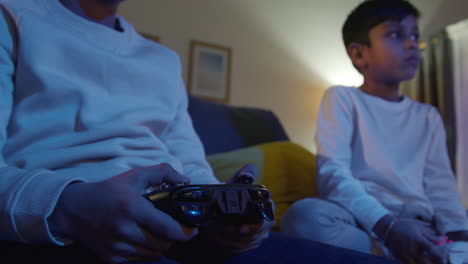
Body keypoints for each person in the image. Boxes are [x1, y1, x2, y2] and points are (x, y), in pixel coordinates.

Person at [0, 0, 398, 264]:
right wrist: (70, 206)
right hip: (63, 235)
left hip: (181, 236)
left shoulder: (161, 61)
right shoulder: (14, 16)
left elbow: (192, 166)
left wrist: (223, 214)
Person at [280, 0, 468, 263]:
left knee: (462, 229)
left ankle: (427, 252)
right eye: (395, 34)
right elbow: (333, 175)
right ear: (359, 55)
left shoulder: (427, 116)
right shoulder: (342, 99)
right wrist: (389, 227)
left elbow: (441, 187)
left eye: (414, 35)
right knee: (304, 216)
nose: (412, 43)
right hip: (365, 223)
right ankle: (406, 253)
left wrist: (458, 240)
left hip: (421, 225)